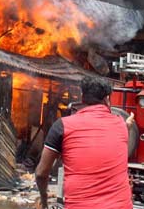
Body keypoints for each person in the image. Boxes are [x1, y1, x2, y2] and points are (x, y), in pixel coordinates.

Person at [34, 76, 134, 209]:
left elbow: (41, 173)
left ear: (82, 98)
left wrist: (44, 202)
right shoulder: (120, 124)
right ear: (107, 99)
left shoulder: (62, 126)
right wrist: (127, 124)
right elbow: (120, 127)